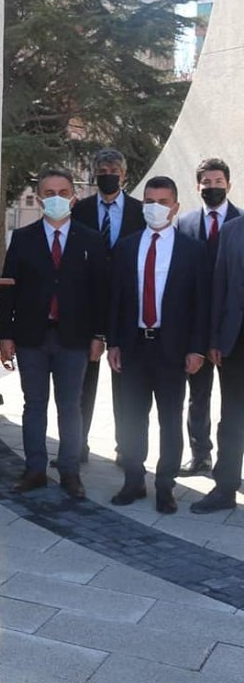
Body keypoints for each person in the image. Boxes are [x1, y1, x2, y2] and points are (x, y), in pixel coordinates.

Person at [0, 167, 107, 499]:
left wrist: (99, 335)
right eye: (49, 193)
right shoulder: (23, 238)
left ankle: (70, 471)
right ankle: (34, 469)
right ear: (39, 197)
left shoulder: (91, 239)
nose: (56, 198)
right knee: (34, 404)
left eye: (62, 193)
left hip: (75, 337)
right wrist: (5, 335)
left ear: (74, 197)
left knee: (70, 406)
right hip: (31, 336)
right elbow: (8, 290)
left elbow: (101, 291)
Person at [107, 176, 209, 514]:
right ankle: (134, 480)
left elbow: (201, 304)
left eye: (163, 202)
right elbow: (117, 298)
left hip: (172, 349)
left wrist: (196, 348)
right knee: (132, 417)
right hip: (134, 346)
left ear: (175, 207)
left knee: (170, 419)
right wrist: (113, 343)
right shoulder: (126, 247)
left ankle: (165, 485)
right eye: (149, 201)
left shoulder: (192, 250)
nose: (155, 208)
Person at [70, 148, 145, 464]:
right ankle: (77, 444)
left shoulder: (141, 211)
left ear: (124, 175)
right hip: (88, 304)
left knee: (124, 380)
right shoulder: (80, 210)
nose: (108, 175)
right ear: (94, 174)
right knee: (82, 380)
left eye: (114, 170)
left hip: (127, 306)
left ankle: (125, 447)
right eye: (102, 170)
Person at [176, 158, 239, 475]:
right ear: (197, 186)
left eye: (218, 182)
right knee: (197, 395)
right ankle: (200, 454)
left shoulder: (240, 222)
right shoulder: (184, 223)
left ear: (229, 184)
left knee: (234, 401)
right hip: (196, 326)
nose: (212, 187)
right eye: (206, 183)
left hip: (233, 329)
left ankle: (230, 464)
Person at [191, 212, 244, 513]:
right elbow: (219, 286)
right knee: (233, 418)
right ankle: (225, 487)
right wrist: (213, 339)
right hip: (236, 342)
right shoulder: (232, 230)